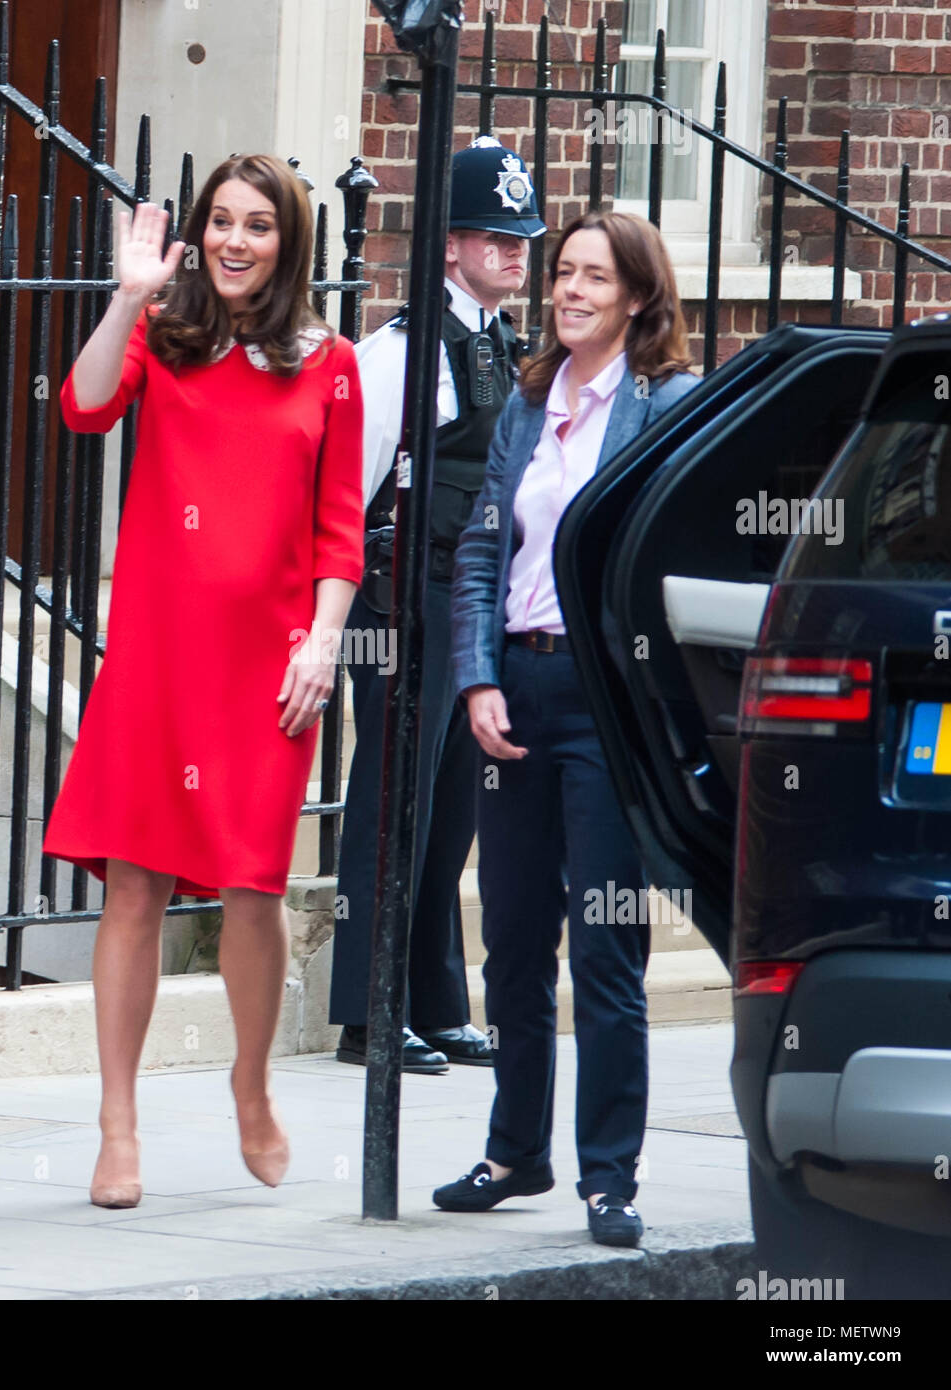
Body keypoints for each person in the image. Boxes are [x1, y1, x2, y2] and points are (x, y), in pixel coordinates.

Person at [42, 155, 364, 1208]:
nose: (233, 240)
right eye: (219, 221)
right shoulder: (161, 337)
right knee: (132, 882)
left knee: (251, 888)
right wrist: (128, 294)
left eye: (257, 225)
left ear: (288, 243)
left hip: (267, 668)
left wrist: (321, 641)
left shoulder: (330, 365)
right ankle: (116, 1123)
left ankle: (250, 1084)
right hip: (156, 659)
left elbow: (339, 527)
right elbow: (82, 409)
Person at [434, 210, 700, 1246]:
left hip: (606, 709)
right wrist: (474, 678)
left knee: (603, 948)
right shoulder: (529, 403)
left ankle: (608, 1177)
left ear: (636, 295)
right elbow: (475, 554)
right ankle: (515, 1151)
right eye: (561, 273)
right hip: (519, 695)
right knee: (507, 939)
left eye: (593, 276)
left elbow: (677, 551)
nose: (569, 291)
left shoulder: (665, 402)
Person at [329, 138, 547, 1073]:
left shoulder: (501, 344)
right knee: (392, 802)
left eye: (520, 237)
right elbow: (350, 490)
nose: (513, 252)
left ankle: (432, 1000)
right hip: (401, 602)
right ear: (450, 243)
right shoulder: (398, 351)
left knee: (452, 805)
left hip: (472, 602)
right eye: (495, 236)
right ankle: (366, 1012)